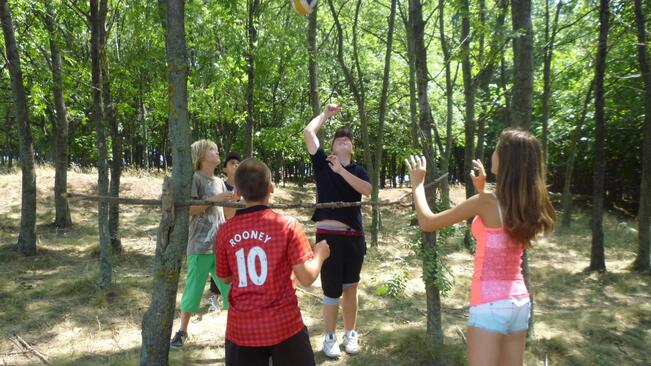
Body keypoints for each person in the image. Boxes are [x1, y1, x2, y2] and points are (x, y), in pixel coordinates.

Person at [405, 129, 555, 366]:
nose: (492, 153)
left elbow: (427, 222)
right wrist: (482, 189)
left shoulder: (487, 203)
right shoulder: (525, 204)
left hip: (490, 304)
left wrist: (418, 185)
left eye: (496, 149)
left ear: (506, 160)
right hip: (519, 303)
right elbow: (500, 230)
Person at [216, 158, 330, 366]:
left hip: (241, 330)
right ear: (272, 188)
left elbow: (224, 278)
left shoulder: (225, 231)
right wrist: (320, 254)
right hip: (284, 325)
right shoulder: (287, 226)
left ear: (238, 192)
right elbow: (307, 277)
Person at [303, 104, 372, 358]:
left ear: (352, 148)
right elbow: (309, 133)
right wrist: (325, 114)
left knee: (351, 287)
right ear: (332, 146)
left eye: (347, 139)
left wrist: (341, 170)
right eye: (338, 139)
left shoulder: (358, 170)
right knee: (331, 290)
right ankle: (330, 337)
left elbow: (367, 190)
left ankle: (350, 334)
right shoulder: (322, 164)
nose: (343, 141)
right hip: (328, 238)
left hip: (353, 236)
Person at [170, 139, 236, 348]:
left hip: (221, 248)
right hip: (199, 246)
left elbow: (226, 214)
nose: (217, 152)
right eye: (212, 149)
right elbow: (192, 209)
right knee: (193, 290)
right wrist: (217, 198)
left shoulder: (219, 182)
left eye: (217, 149)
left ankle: (236, 333)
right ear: (200, 155)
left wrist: (232, 201)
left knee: (231, 291)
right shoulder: (195, 179)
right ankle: (181, 332)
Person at [208, 151, 241, 311]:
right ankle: (213, 297)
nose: (236, 165)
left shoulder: (245, 187)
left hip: (241, 232)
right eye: (232, 163)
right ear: (225, 168)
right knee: (221, 264)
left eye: (238, 163)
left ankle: (236, 296)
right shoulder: (221, 185)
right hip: (224, 231)